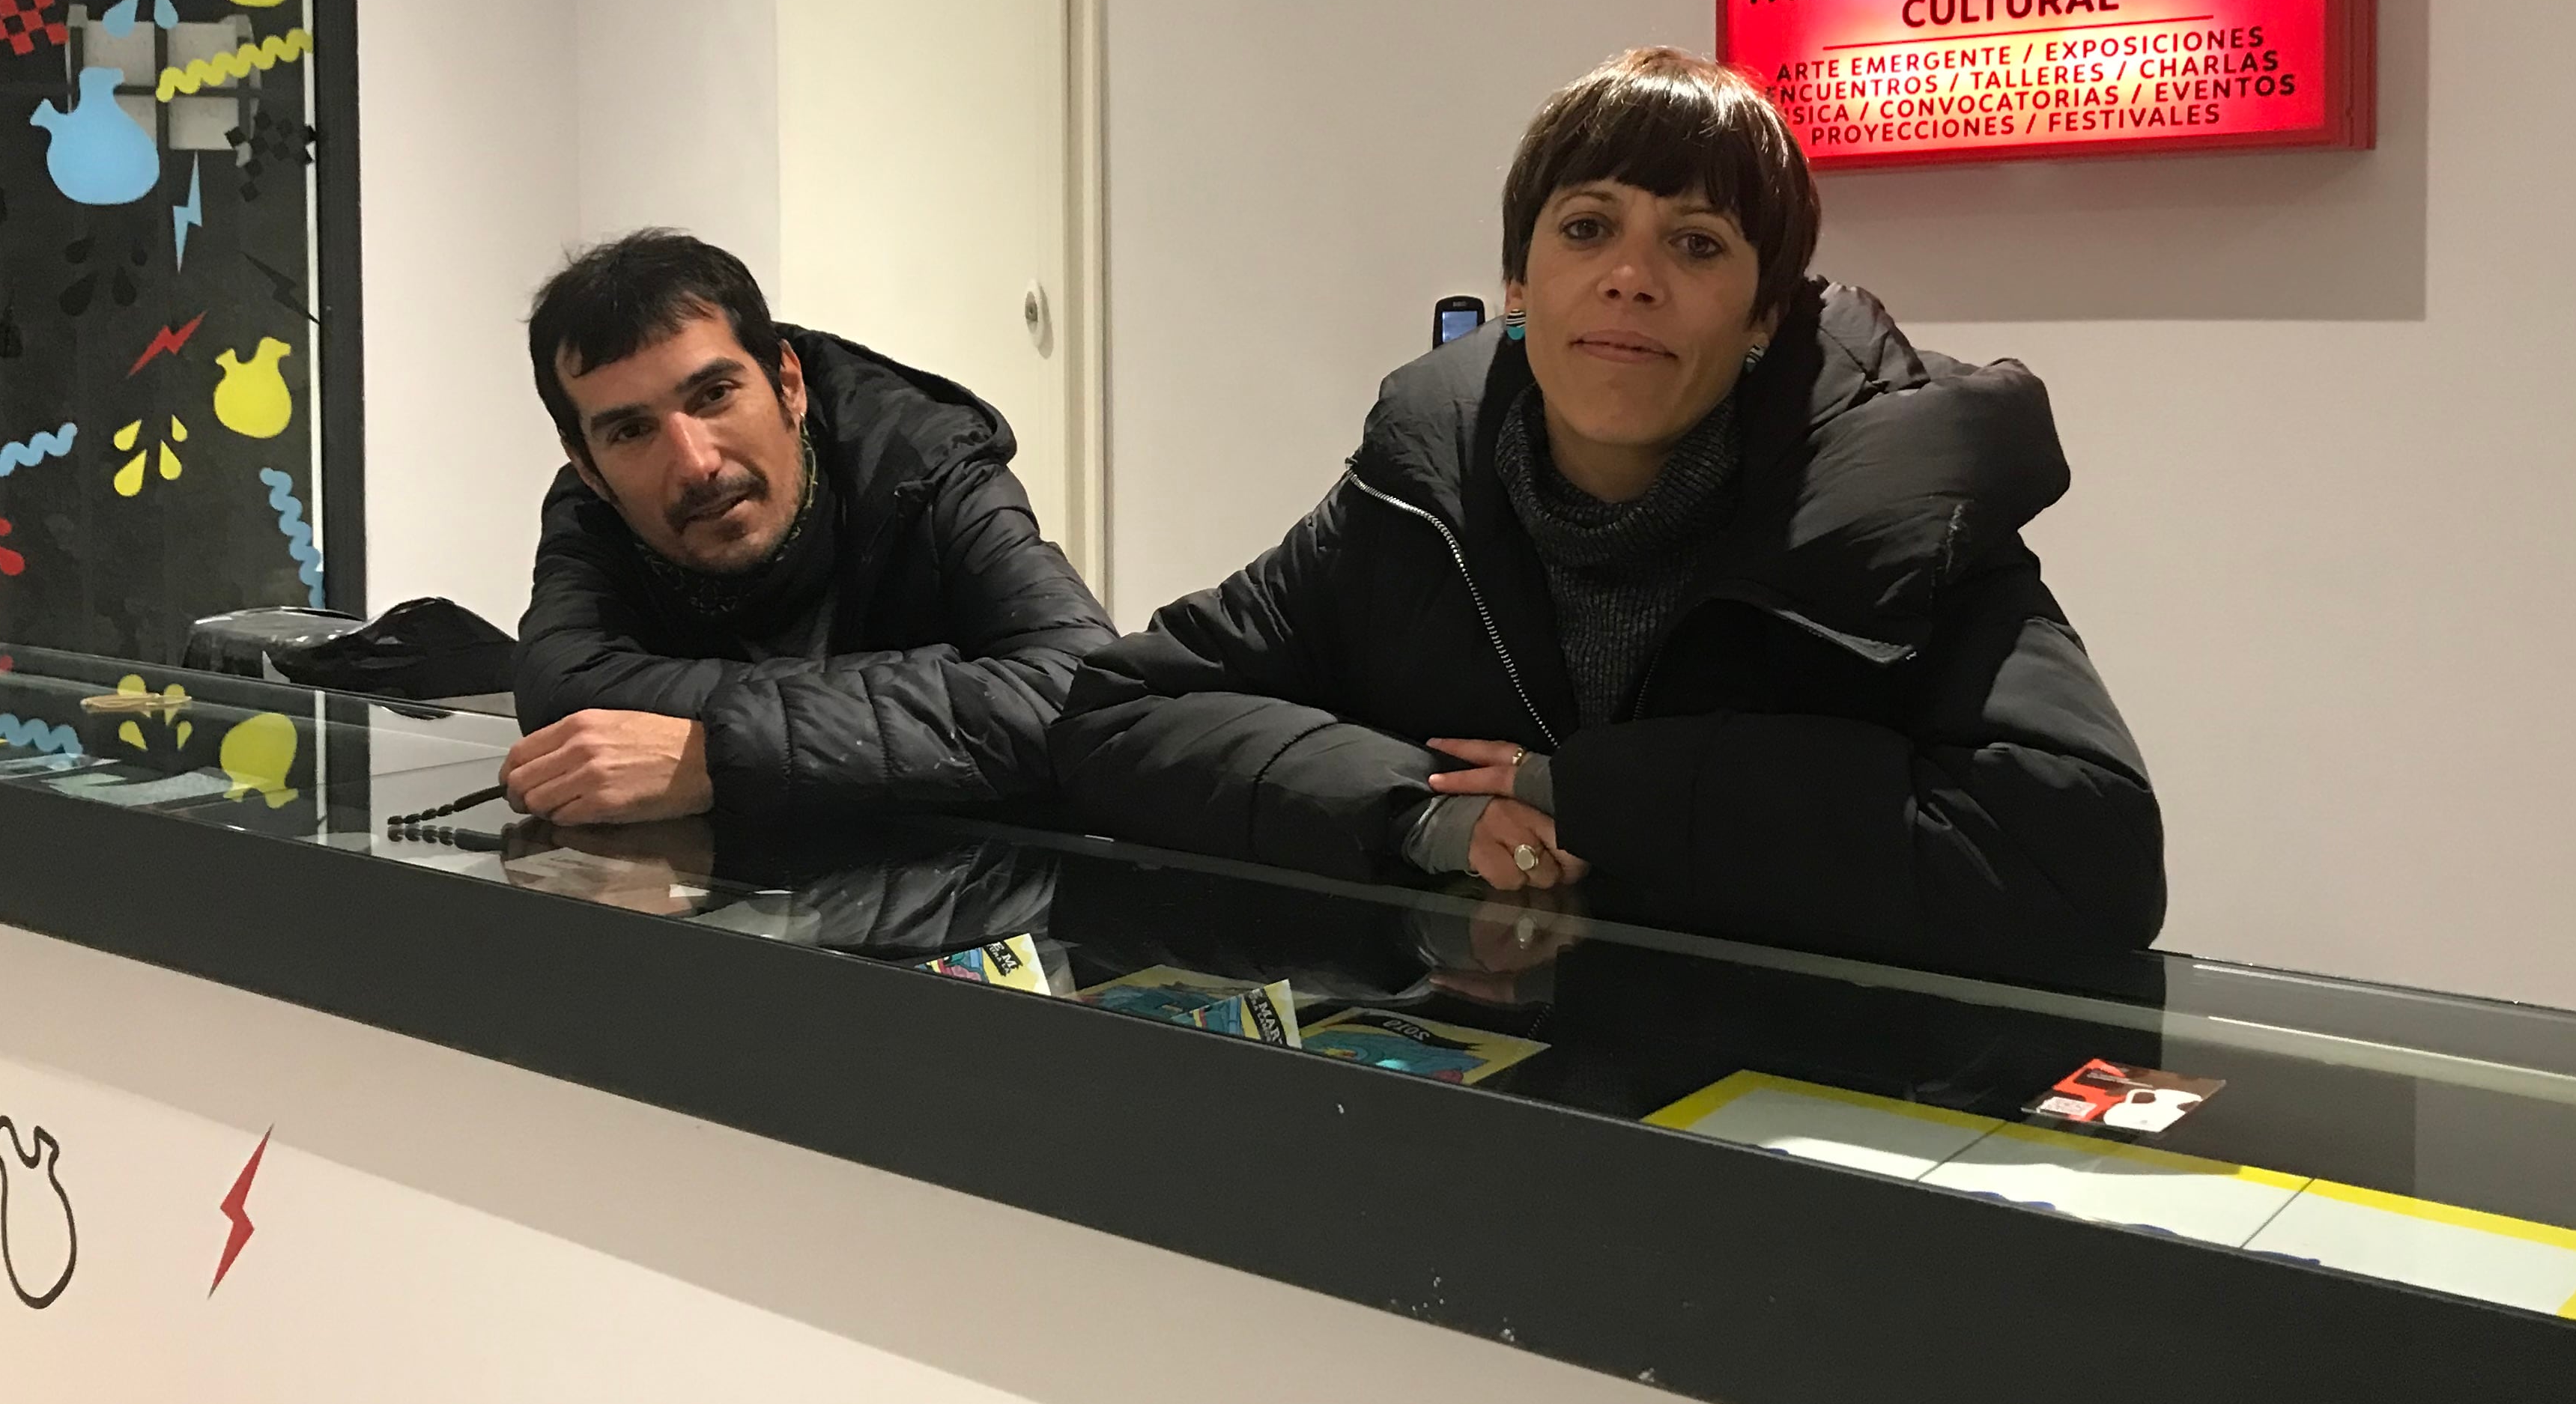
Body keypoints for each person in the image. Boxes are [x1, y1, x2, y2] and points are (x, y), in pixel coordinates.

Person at [1052, 48, 2163, 970]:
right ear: (1519, 290)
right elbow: (1125, 713)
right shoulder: (1414, 494)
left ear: (1764, 314)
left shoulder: (1900, 512)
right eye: (1588, 228)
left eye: (1696, 244)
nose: (1632, 277)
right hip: (1492, 1104)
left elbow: (2081, 861)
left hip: (1782, 1121)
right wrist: (1419, 811)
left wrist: (1589, 796)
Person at [507, 230, 1113, 826]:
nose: (696, 464)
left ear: (788, 384)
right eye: (632, 432)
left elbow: (1087, 692)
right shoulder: (593, 514)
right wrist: (956, 685)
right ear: (587, 466)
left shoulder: (924, 460)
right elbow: (563, 688)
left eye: (715, 395)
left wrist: (720, 755)